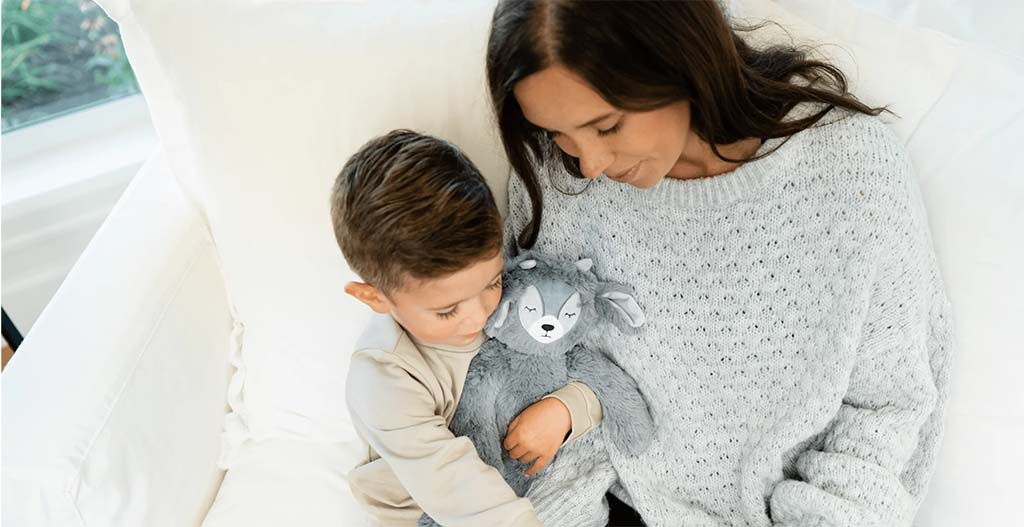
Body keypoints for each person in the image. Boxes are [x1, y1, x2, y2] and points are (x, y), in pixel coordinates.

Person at [486, 2, 954, 526]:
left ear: (679, 59)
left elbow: (888, 407)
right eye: (558, 134)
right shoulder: (559, 181)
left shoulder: (852, 172)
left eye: (608, 126)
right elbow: (537, 370)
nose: (589, 163)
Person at [330, 129, 604, 526]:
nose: (478, 317)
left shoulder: (517, 297)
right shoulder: (384, 378)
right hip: (442, 512)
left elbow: (587, 365)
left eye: (491, 283)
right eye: (447, 310)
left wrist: (566, 409)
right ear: (375, 298)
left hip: (535, 481)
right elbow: (451, 483)